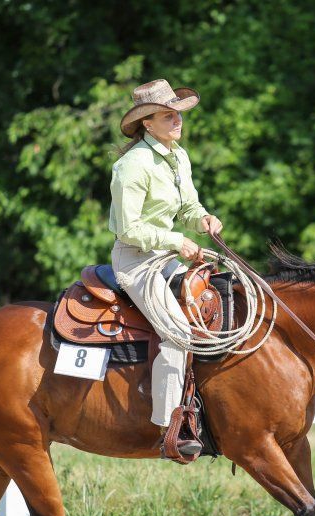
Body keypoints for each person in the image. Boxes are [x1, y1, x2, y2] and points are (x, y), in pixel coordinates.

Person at [108, 79, 223, 457]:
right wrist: (176, 241)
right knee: (176, 332)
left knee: (222, 297)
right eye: (168, 115)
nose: (177, 121)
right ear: (147, 123)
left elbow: (188, 207)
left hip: (167, 255)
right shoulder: (132, 165)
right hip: (136, 260)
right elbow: (129, 228)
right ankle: (166, 428)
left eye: (178, 114)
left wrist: (204, 218)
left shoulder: (179, 156)